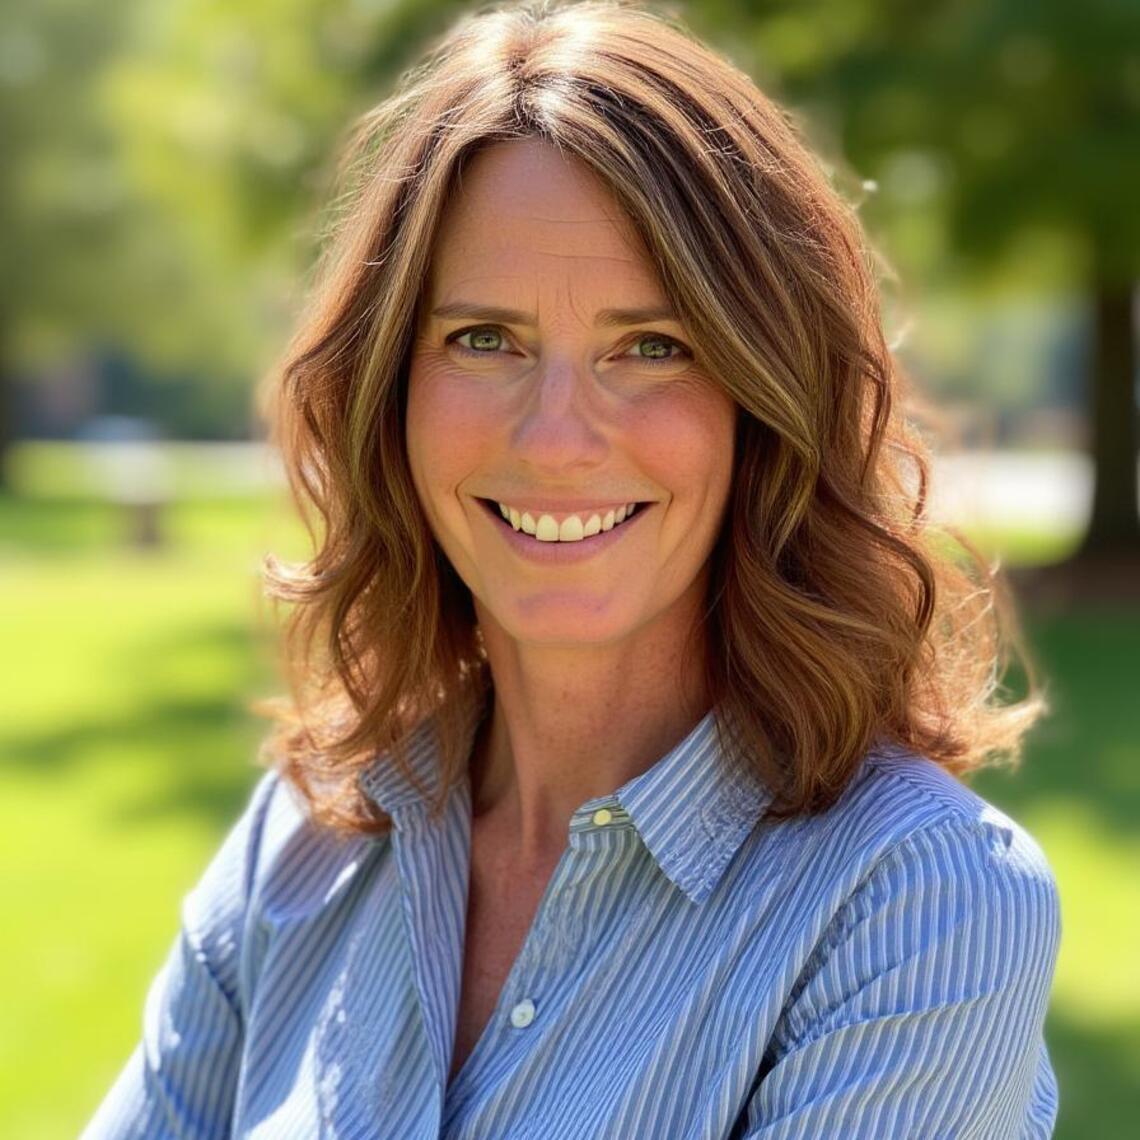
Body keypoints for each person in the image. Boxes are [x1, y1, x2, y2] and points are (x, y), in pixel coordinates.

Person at [81, 1, 1062, 1136]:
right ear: (388, 394)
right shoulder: (299, 844)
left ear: (767, 403)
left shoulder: (923, 907)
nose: (554, 438)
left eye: (651, 348)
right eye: (482, 339)